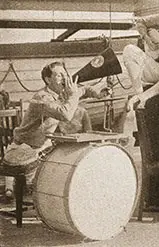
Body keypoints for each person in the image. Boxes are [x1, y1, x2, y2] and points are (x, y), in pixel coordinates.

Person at [3, 61, 107, 198]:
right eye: (59, 75)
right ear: (48, 80)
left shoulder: (62, 92)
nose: (64, 78)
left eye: (65, 74)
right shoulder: (42, 98)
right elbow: (65, 114)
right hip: (23, 149)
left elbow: (84, 89)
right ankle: (19, 187)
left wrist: (98, 93)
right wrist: (73, 95)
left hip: (41, 147)